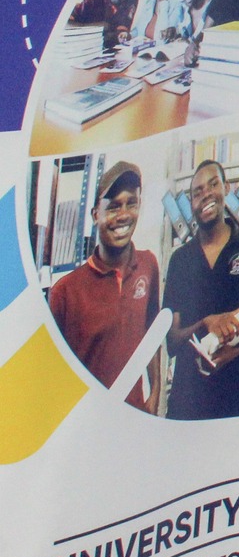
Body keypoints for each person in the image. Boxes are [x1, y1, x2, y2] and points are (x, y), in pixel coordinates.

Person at [47, 161, 161, 412]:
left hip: (134, 418)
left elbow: (152, 331)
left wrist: (155, 392)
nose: (123, 215)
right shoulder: (64, 292)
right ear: (95, 214)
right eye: (113, 206)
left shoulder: (148, 265)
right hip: (90, 422)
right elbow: (52, 378)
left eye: (131, 203)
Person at [164, 158, 239, 419]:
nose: (206, 194)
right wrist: (205, 323)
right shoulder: (180, 260)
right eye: (197, 192)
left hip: (233, 392)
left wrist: (230, 354)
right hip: (187, 399)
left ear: (226, 188)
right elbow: (172, 341)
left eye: (213, 185)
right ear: (191, 203)